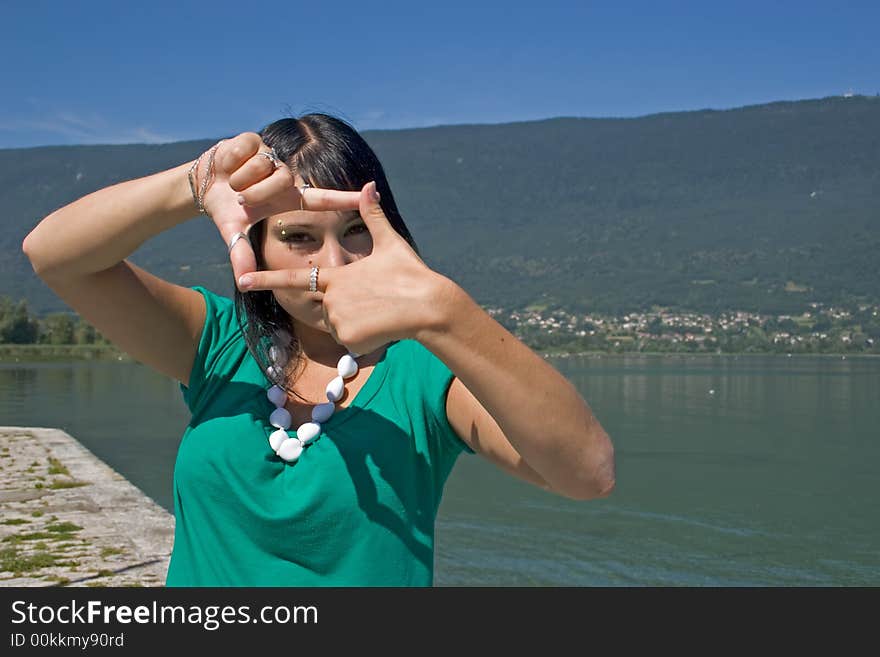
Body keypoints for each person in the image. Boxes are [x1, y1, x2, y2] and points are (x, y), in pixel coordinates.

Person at [21, 113, 615, 586]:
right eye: (299, 236)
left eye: (356, 230)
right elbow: (54, 254)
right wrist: (196, 185)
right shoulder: (221, 344)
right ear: (255, 245)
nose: (334, 265)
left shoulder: (424, 373)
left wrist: (448, 312)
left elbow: (588, 474)